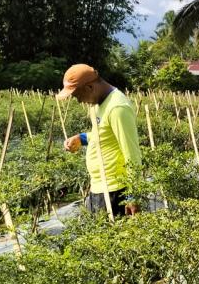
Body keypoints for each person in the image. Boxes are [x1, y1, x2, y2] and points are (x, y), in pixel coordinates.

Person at [57, 64, 142, 216]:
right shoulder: (98, 103)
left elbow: (132, 154)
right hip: (98, 188)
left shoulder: (117, 108)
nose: (79, 101)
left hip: (115, 191)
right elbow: (102, 134)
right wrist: (82, 138)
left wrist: (132, 195)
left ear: (90, 87)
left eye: (77, 95)